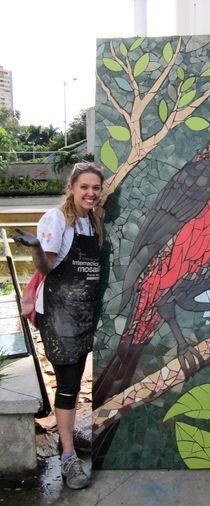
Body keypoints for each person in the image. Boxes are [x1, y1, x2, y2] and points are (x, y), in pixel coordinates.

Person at [13, 162, 104, 490]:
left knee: (75, 383)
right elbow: (47, 266)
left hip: (81, 313)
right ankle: (67, 455)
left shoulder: (92, 221)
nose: (90, 193)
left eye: (96, 188)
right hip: (59, 314)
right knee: (66, 384)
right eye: (84, 187)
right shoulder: (58, 217)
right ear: (72, 187)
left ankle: (68, 435)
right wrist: (36, 247)